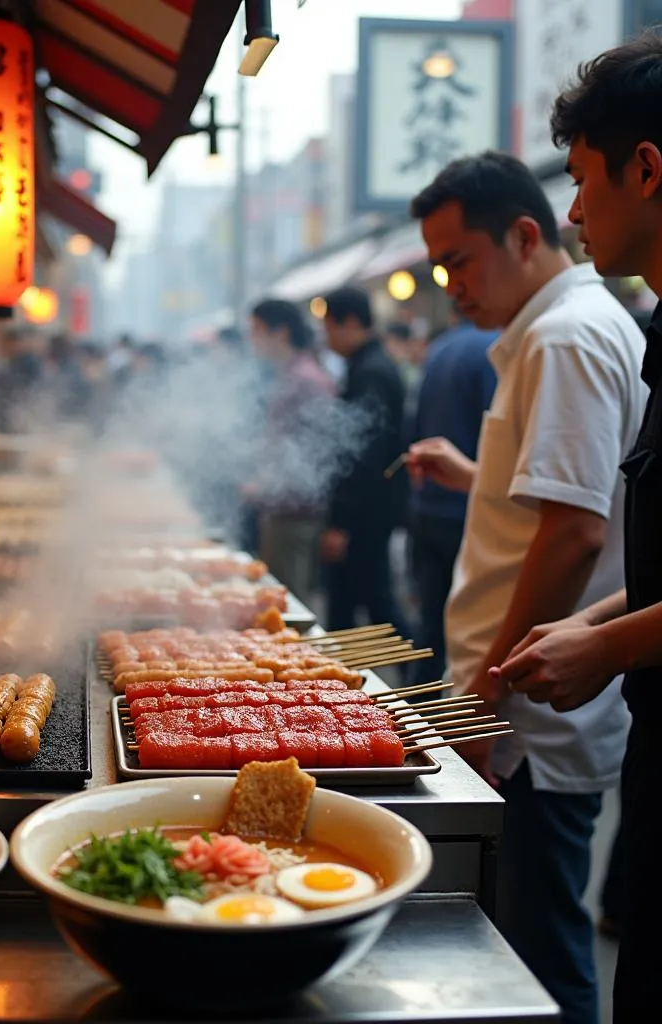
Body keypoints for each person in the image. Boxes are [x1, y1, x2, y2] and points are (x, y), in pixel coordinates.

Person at [405, 151, 646, 1024]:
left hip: (530, 722)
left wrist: (479, 699)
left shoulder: (565, 335)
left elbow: (577, 533)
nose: (450, 284)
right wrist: (477, 475)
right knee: (522, 945)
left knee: (539, 961)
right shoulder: (554, 329)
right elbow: (573, 496)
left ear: (524, 235)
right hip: (525, 708)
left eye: (459, 259)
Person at [491, 35, 662, 1021]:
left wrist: (605, 640)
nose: (573, 211)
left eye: (585, 177)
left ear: (645, 169)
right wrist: (603, 637)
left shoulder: (579, 328)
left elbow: (572, 528)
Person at [406, 312, 498, 684]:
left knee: (432, 624)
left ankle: (419, 716)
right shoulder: (495, 350)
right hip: (469, 509)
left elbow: (410, 430)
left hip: (428, 505)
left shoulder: (439, 350)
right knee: (468, 628)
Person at [320, 287, 410, 637]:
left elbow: (363, 456)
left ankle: (419, 679)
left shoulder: (371, 372)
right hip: (369, 509)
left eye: (329, 328)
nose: (326, 339)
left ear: (351, 323)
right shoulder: (367, 365)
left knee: (376, 602)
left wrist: (341, 521)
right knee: (355, 600)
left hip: (366, 513)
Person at [245, 298, 336, 601]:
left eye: (257, 330)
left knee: (287, 603)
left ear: (281, 332)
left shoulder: (306, 379)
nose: (252, 339)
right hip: (281, 509)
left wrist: (269, 483)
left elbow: (317, 452)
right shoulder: (292, 374)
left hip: (295, 514)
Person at [0, 326, 47, 434]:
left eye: (6, 343)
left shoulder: (29, 364)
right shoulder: (12, 363)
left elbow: (30, 394)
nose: (3, 347)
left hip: (20, 422)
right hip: (12, 421)